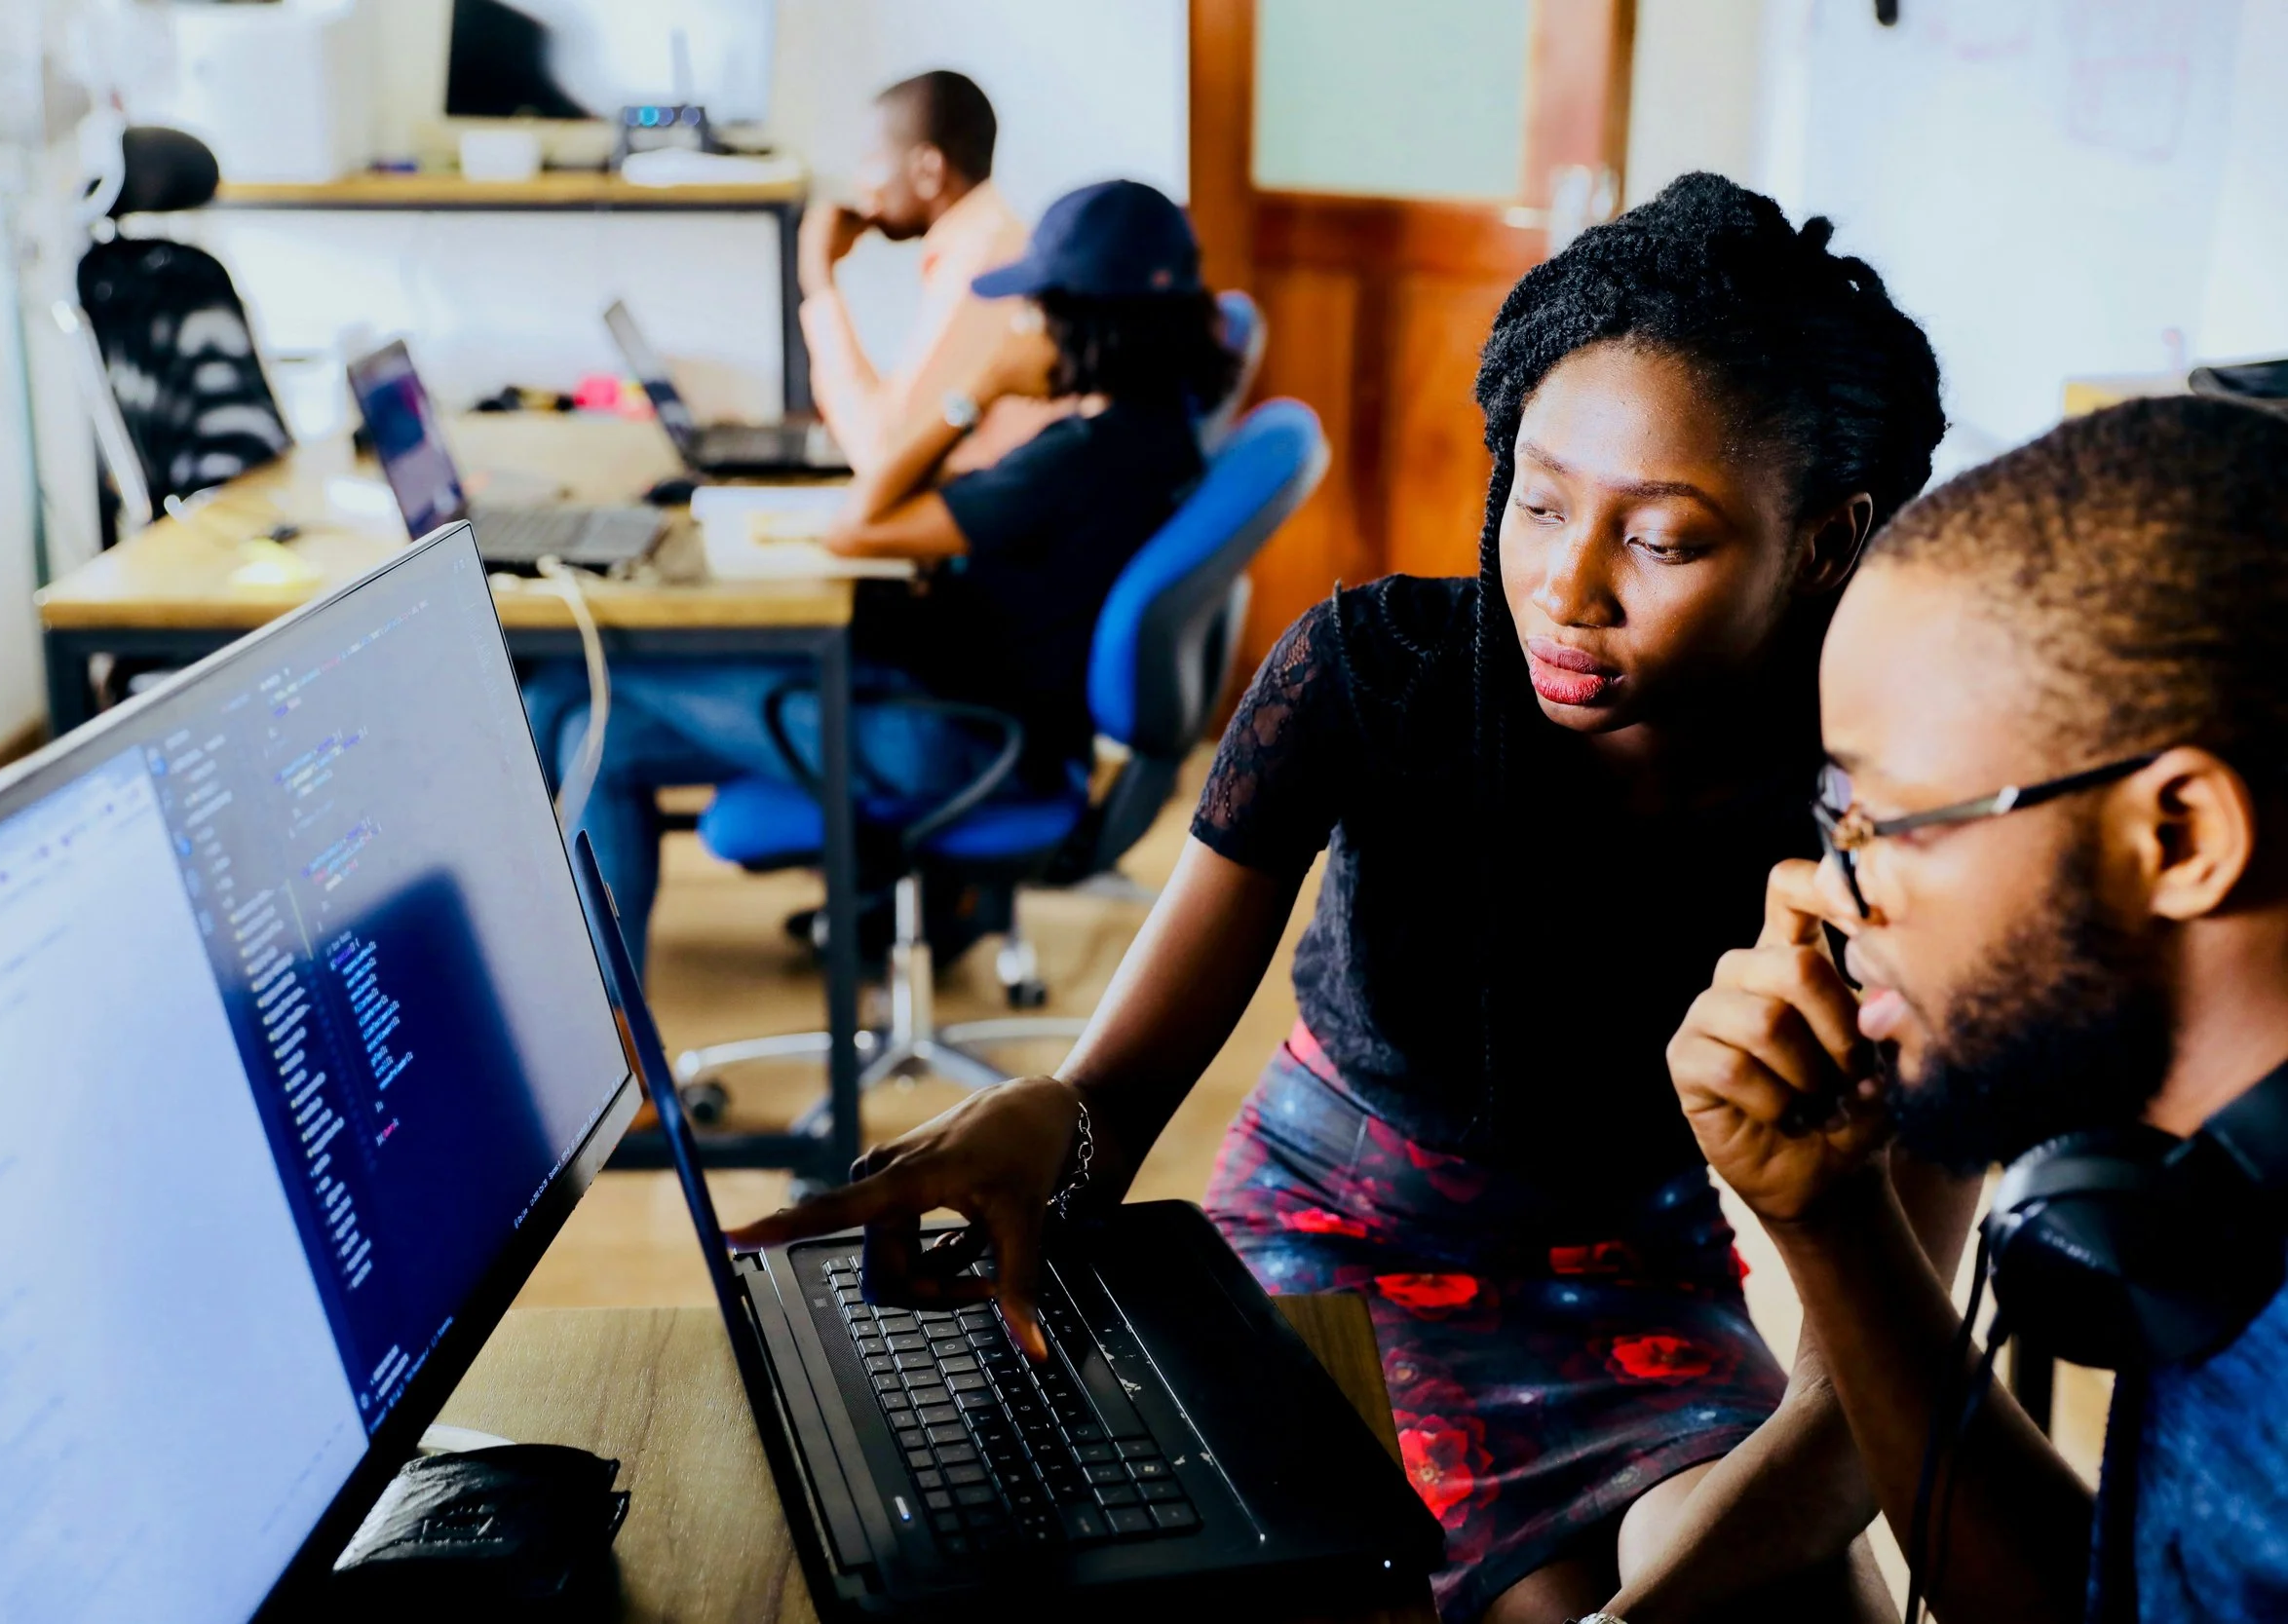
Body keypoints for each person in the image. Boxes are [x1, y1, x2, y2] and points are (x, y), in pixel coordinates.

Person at [733, 173, 1958, 1622]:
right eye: (1540, 498)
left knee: (1805, 1601)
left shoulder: (1893, 822)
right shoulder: (1373, 677)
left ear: (1825, 539)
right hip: (1324, 1251)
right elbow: (1114, 1092)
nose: (1565, 585)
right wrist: (1043, 1120)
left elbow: (1877, 1392)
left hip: (1633, 1296)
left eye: (1661, 539)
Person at [1668, 397, 2288, 1623]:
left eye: (1883, 822)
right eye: (1830, 811)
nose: (1821, 890)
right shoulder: (2194, 1196)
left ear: (2177, 837)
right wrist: (1833, 1220)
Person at [533, 179, 1236, 945]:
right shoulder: (1155, 432)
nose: (1020, 323)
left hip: (947, 741)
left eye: (1036, 306)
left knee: (573, 692)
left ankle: (586, 1009)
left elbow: (858, 526)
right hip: (975, 719)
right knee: (594, 734)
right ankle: (615, 1019)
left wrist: (979, 388)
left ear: (1085, 319)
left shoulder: (1079, 461)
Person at [798, 68, 1063, 476]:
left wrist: (818, 282)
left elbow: (884, 455)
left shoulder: (981, 263)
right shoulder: (987, 239)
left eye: (871, 160)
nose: (860, 183)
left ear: (928, 170)